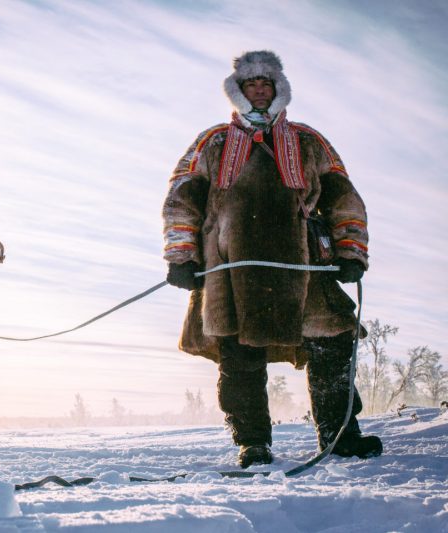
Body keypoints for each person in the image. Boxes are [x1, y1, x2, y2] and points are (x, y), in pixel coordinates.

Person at [162, 50, 382, 467]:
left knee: (332, 344)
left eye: (267, 84)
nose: (259, 91)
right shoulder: (213, 142)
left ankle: (341, 436)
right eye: (251, 84)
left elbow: (343, 198)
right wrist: (180, 255)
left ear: (279, 89)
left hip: (302, 267)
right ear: (238, 92)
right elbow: (180, 198)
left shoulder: (307, 140)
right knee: (239, 359)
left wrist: (351, 250)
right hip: (229, 270)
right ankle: (254, 444)